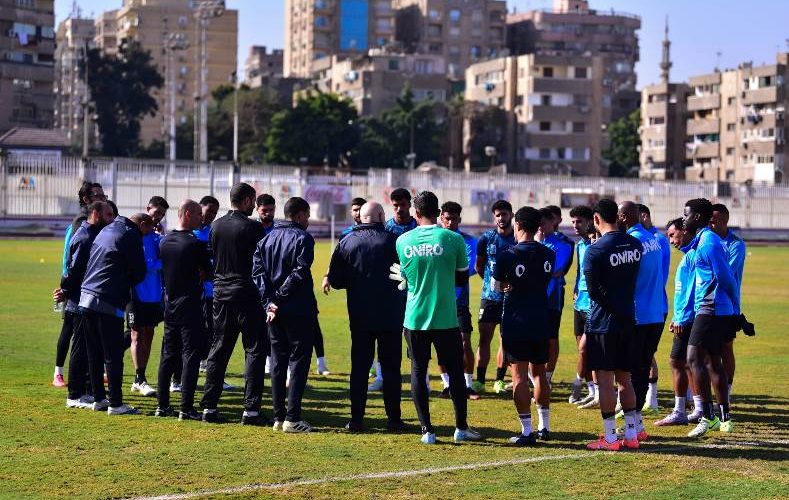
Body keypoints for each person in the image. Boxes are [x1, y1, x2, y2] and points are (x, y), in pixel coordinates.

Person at [393, 191, 481, 444]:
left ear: (415, 213)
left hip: (414, 318)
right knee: (454, 373)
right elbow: (462, 280)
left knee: (419, 371)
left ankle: (427, 431)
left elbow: (407, 279)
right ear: (438, 212)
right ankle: (460, 428)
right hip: (446, 317)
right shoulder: (453, 239)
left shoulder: (403, 241)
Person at [326, 201, 406, 432]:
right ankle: (394, 419)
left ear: (360, 217)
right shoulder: (394, 241)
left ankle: (357, 419)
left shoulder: (346, 241)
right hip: (390, 314)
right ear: (381, 215)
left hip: (360, 315)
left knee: (359, 368)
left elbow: (336, 279)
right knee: (391, 368)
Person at [201, 182, 269, 425]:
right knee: (254, 349)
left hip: (220, 293)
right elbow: (263, 262)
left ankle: (209, 407)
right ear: (249, 200)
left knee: (219, 349)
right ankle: (251, 410)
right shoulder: (252, 227)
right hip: (247, 293)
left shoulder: (216, 225)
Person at [253, 196, 317, 433]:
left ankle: (278, 416)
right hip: (298, 308)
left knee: (278, 362)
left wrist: (269, 302)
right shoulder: (303, 238)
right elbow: (300, 272)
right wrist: (278, 298)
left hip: (274, 311)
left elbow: (257, 274)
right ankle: (292, 417)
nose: (308, 220)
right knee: (299, 362)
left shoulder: (267, 238)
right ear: (300, 215)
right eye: (307, 216)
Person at [493, 206, 556, 445]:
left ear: (517, 225)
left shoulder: (507, 255)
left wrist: (509, 284)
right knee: (539, 374)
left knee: (519, 377)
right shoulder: (548, 254)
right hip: (541, 320)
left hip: (516, 322)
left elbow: (497, 288)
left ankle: (527, 431)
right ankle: (545, 426)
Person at [584, 199, 641, 450]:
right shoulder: (635, 244)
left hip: (603, 324)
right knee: (625, 380)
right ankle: (631, 436)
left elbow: (593, 291)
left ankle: (609, 438)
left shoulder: (595, 250)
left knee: (605, 382)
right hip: (628, 320)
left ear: (597, 219)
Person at [79, 211, 147, 415]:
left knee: (94, 353)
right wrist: (125, 283)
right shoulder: (131, 234)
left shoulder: (106, 229)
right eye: (148, 229)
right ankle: (116, 403)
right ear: (141, 225)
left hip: (86, 297)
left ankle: (99, 398)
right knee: (113, 354)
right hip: (107, 300)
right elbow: (139, 270)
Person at [684, 198, 738, 437]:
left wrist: (736, 311)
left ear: (696, 217)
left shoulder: (709, 243)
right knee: (713, 361)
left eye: (685, 215)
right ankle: (723, 417)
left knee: (693, 358)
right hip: (711, 308)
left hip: (711, 308)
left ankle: (707, 416)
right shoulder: (704, 240)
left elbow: (726, 278)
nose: (683, 219)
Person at [154, 200, 212, 421]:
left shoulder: (164, 241)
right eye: (198, 214)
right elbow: (208, 272)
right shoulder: (195, 243)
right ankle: (186, 408)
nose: (202, 218)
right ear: (187, 213)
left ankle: (162, 405)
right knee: (190, 355)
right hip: (191, 305)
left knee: (168, 355)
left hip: (170, 304)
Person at [56, 201, 114, 408]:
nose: (111, 219)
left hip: (83, 298)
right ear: (96, 214)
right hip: (78, 300)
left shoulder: (91, 235)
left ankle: (84, 391)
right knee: (79, 347)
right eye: (108, 215)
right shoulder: (85, 237)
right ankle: (74, 395)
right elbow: (75, 270)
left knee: (87, 347)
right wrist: (66, 290)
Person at [616, 201, 664, 441]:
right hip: (656, 313)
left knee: (631, 372)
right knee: (642, 369)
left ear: (623, 217)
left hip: (637, 315)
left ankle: (631, 427)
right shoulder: (654, 240)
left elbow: (626, 281)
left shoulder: (631, 243)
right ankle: (639, 425)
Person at [53, 181, 106, 388]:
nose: (102, 197)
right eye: (97, 195)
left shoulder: (98, 220)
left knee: (86, 332)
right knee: (70, 329)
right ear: (86, 199)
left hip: (87, 284)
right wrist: (66, 286)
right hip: (76, 286)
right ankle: (59, 372)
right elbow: (74, 255)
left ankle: (91, 373)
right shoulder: (82, 221)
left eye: (103, 194)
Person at [367, 188, 417, 392]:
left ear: (409, 205)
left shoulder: (417, 226)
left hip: (415, 291)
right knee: (387, 336)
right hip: (391, 293)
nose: (399, 209)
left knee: (416, 336)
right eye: (395, 205)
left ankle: (420, 379)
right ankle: (381, 377)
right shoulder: (386, 229)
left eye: (402, 205)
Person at [655, 218, 702, 426]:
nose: (671, 241)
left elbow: (692, 290)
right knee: (689, 362)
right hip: (684, 317)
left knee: (679, 361)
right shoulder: (688, 255)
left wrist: (682, 317)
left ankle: (683, 410)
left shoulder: (692, 255)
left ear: (684, 231)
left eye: (673, 235)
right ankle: (695, 408)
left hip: (689, 318)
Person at [472, 199, 516, 394]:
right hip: (489, 297)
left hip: (510, 298)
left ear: (511, 216)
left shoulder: (516, 239)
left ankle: (499, 380)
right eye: (497, 215)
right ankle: (480, 380)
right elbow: (479, 266)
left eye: (504, 214)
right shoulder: (486, 238)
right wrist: (492, 283)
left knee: (505, 339)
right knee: (484, 338)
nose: (501, 218)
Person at [437, 201, 480, 400]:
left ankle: (467, 384)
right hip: (439, 301)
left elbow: (468, 268)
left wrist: (444, 269)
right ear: (441, 218)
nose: (450, 222)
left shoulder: (469, 241)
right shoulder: (435, 240)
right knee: (441, 345)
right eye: (447, 218)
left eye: (454, 219)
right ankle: (447, 385)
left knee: (464, 342)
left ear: (459, 220)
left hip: (460, 302)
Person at [710, 203, 746, 404]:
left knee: (726, 349)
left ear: (725, 221)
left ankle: (727, 391)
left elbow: (725, 275)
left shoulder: (736, 245)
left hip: (729, 306)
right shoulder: (709, 240)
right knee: (706, 352)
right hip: (706, 305)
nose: (711, 224)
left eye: (714, 221)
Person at [638, 203, 672, 415]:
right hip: (657, 301)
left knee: (644, 354)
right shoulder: (658, 240)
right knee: (646, 354)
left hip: (650, 303)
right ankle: (650, 400)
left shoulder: (653, 240)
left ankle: (650, 401)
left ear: (643, 216)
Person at [537, 206, 574, 393]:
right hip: (532, 298)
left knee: (551, 338)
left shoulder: (563, 243)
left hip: (552, 298)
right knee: (534, 338)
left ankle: (547, 377)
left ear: (553, 221)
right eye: (538, 224)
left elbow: (554, 270)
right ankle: (536, 377)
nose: (540, 227)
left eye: (543, 223)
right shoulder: (533, 241)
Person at [128, 212, 163, 397]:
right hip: (135, 295)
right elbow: (143, 265)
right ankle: (140, 377)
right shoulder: (130, 239)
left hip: (154, 295)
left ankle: (138, 377)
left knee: (148, 334)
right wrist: (157, 264)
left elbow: (159, 260)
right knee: (135, 334)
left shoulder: (157, 239)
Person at [568, 205, 598, 408]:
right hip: (579, 304)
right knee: (584, 350)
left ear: (590, 221)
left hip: (594, 305)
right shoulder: (579, 245)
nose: (575, 226)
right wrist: (576, 288)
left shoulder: (599, 244)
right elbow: (579, 271)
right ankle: (592, 391)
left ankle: (577, 385)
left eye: (579, 221)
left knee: (587, 349)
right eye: (572, 222)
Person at [192, 195, 219, 376]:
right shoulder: (190, 232)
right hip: (192, 290)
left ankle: (204, 361)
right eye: (209, 211)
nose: (211, 215)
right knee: (194, 329)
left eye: (214, 213)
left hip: (211, 290)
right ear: (199, 208)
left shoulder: (213, 232)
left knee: (212, 328)